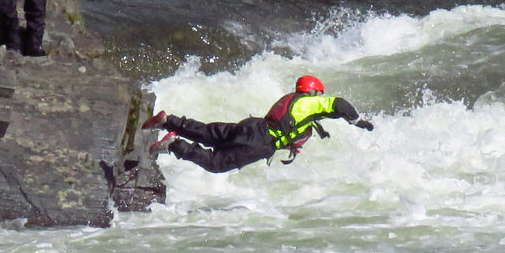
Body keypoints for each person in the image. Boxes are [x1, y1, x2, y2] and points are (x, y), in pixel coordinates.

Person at [143, 75, 374, 173]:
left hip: (254, 126)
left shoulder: (292, 101)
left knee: (209, 134)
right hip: (262, 141)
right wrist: (357, 121)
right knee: (216, 163)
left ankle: (167, 121)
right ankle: (174, 144)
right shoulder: (309, 103)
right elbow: (339, 104)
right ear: (314, 92)